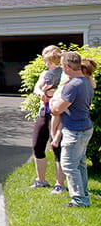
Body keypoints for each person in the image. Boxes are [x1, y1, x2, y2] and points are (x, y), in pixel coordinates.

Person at [50, 51, 95, 207]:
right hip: (84, 128)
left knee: (69, 165)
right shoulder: (86, 82)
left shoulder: (73, 85)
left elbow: (57, 110)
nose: (62, 68)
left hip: (75, 131)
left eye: (62, 65)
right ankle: (83, 195)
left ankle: (79, 200)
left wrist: (51, 103)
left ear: (67, 67)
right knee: (80, 164)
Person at [29, 45, 65, 193]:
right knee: (38, 145)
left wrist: (54, 92)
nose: (46, 64)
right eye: (46, 61)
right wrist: (41, 93)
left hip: (59, 114)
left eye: (48, 62)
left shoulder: (65, 74)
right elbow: (37, 87)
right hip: (44, 112)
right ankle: (41, 180)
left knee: (58, 148)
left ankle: (60, 184)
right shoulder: (45, 74)